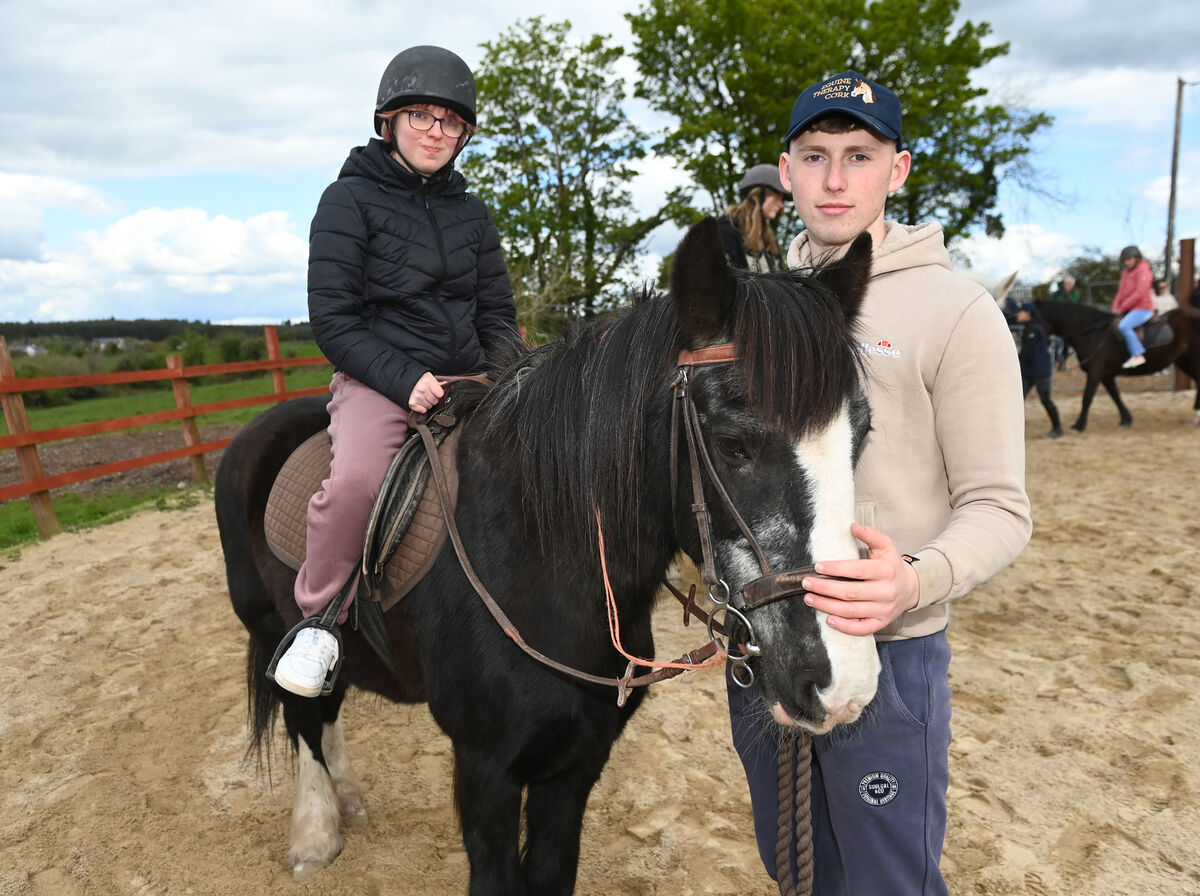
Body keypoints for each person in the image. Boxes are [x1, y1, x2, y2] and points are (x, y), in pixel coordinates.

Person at [725, 71, 1032, 895]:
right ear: (783, 173)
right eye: (814, 155)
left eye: (859, 155)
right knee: (795, 870)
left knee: (885, 879)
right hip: (764, 648)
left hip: (890, 655)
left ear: (896, 170)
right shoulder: (752, 309)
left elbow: (1000, 508)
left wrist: (913, 580)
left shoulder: (955, 310)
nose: (834, 179)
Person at [270, 46, 519, 697]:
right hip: (379, 381)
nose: (436, 130)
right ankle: (320, 620)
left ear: (463, 134)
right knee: (355, 481)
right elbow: (333, 320)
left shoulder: (473, 214)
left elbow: (496, 313)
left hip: (471, 380)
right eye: (421, 116)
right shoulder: (347, 201)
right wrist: (402, 376)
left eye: (449, 121)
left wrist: (506, 373)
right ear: (390, 121)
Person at [716, 164, 790, 271]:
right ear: (756, 196)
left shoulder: (768, 238)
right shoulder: (726, 232)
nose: (781, 205)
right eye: (777, 198)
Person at [1016, 303, 1063, 438]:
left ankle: (1057, 428)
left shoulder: (1034, 329)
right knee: (1018, 399)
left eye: (1020, 312)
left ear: (1028, 313)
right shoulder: (1030, 328)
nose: (1018, 314)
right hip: (1029, 372)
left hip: (1040, 372)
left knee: (1046, 400)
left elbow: (1027, 352)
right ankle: (1018, 429)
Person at [1111, 245, 1154, 368]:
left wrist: (1122, 307)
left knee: (1124, 326)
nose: (1126, 262)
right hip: (1129, 309)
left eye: (1129, 259)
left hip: (1143, 308)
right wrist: (1115, 306)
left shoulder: (1144, 270)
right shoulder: (1125, 273)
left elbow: (1140, 293)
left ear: (1137, 258)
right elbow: (1121, 292)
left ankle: (1138, 354)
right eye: (1125, 260)